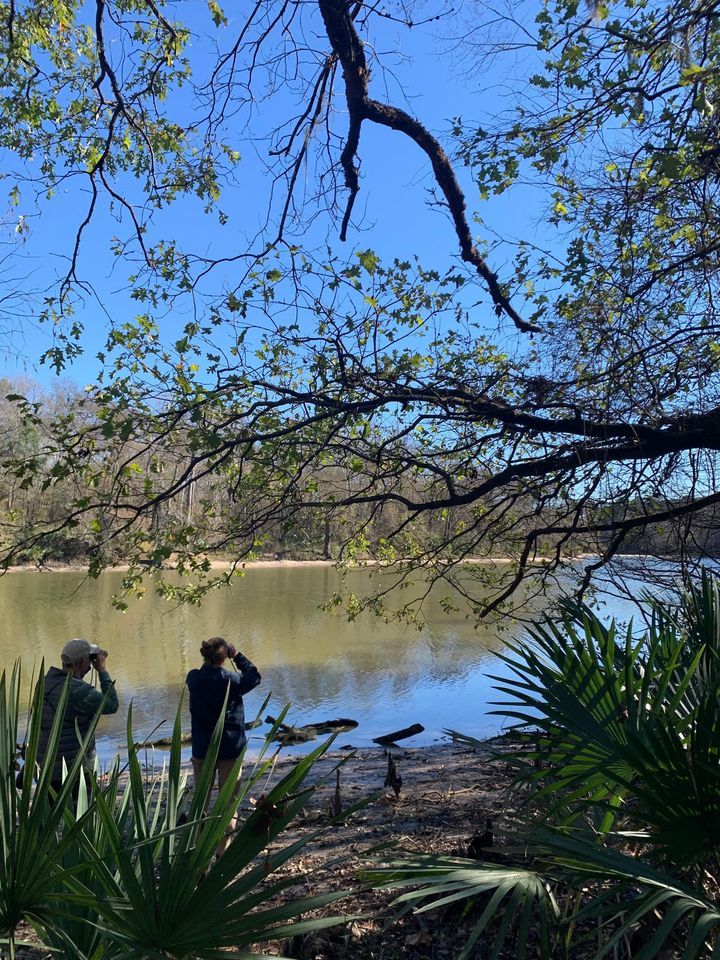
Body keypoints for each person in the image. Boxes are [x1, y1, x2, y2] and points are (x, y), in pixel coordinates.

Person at [185, 637, 261, 853]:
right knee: (228, 803)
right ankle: (222, 851)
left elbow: (201, 674)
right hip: (229, 749)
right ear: (224, 656)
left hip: (202, 750)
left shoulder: (193, 678)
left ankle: (198, 849)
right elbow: (254, 677)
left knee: (201, 802)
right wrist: (237, 657)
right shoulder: (231, 681)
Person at [35, 638, 119, 797]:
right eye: (90, 659)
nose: (91, 664)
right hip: (74, 769)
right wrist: (102, 671)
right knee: (79, 815)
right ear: (81, 662)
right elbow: (112, 704)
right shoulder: (79, 691)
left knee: (52, 815)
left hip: (46, 767)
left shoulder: (44, 683)